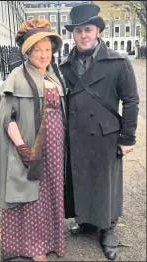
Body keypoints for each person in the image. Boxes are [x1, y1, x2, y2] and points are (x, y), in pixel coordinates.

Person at [59, 3, 139, 260]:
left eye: (88, 29)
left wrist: (128, 137)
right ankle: (86, 221)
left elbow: (131, 101)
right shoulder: (66, 66)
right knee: (81, 178)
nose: (84, 35)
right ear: (73, 33)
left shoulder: (118, 62)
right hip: (78, 134)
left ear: (98, 31)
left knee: (105, 183)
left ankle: (107, 229)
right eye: (79, 30)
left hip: (106, 135)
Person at [0, 18, 66, 261]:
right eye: (38, 50)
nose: (44, 55)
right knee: (30, 195)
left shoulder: (53, 76)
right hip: (31, 145)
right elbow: (7, 118)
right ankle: (32, 248)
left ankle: (50, 241)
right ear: (28, 51)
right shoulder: (17, 77)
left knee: (51, 192)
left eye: (47, 50)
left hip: (55, 146)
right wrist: (22, 146)